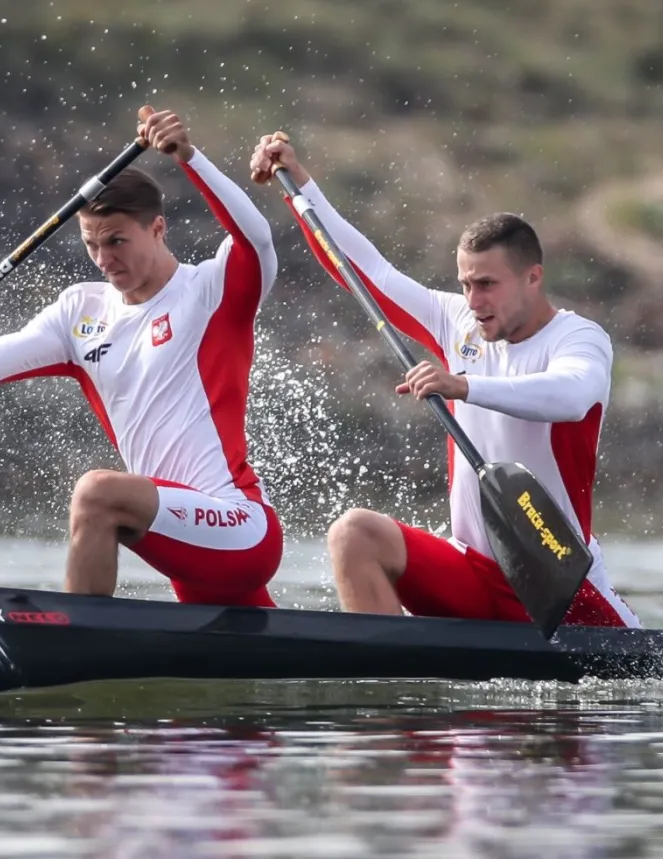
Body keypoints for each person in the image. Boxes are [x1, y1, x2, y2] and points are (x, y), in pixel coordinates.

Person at [0, 106, 282, 606]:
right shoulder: (82, 312)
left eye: (117, 241)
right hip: (179, 537)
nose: (104, 259)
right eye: (92, 244)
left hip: (237, 527)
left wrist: (189, 157)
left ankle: (73, 632)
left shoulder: (212, 291)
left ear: (158, 229)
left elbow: (256, 238)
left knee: (97, 494)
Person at [249, 134, 639, 628]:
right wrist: (297, 184)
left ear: (533, 278)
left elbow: (571, 396)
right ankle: (385, 688)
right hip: (472, 573)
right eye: (465, 284)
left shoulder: (579, 338)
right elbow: (364, 272)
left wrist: (464, 386)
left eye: (487, 285)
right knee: (355, 534)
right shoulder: (457, 321)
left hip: (557, 581)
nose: (473, 300)